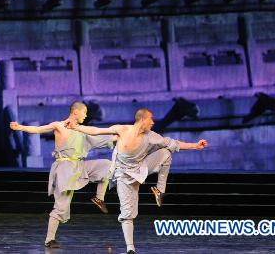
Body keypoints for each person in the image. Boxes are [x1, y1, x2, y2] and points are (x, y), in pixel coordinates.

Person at [71, 107, 208, 254]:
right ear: (142, 119)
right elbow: (96, 131)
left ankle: (160, 190)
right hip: (123, 177)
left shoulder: (151, 136)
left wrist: (195, 145)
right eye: (151, 119)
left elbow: (173, 143)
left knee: (166, 153)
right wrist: (76, 127)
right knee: (127, 214)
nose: (153, 122)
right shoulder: (122, 130)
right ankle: (130, 249)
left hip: (141, 169)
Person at [9, 100, 114, 248]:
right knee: (61, 207)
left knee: (108, 166)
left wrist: (121, 136)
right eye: (84, 112)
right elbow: (38, 129)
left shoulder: (82, 130)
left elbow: (100, 138)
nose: (85, 115)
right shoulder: (59, 126)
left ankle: (99, 198)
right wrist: (19, 127)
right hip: (65, 168)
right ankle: (49, 239)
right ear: (76, 111)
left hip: (80, 165)